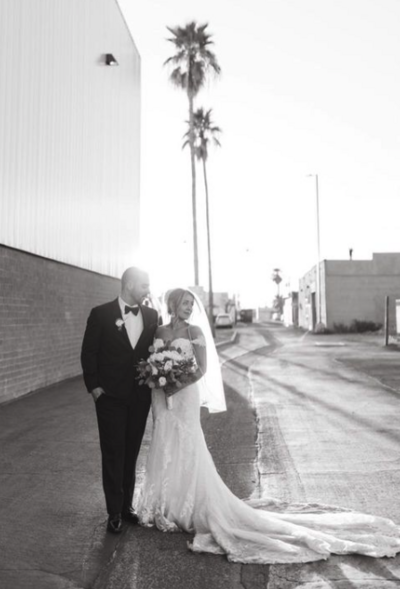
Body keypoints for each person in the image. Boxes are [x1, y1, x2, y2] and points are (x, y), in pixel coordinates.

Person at [136, 288, 400, 564]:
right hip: (162, 398)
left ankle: (187, 506)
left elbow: (201, 369)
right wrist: (159, 379)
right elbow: (155, 362)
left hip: (184, 394)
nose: (190, 308)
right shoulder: (159, 332)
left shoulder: (195, 333)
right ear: (174, 304)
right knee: (164, 442)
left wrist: (175, 384)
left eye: (192, 303)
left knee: (188, 446)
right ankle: (163, 503)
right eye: (185, 303)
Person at [81, 267, 159, 533]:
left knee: (131, 451)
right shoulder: (100, 314)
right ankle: (113, 511)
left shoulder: (151, 316)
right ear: (128, 285)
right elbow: (88, 353)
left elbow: (154, 352)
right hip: (110, 398)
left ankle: (127, 507)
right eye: (144, 285)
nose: (147, 290)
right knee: (113, 453)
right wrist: (95, 388)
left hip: (139, 397)